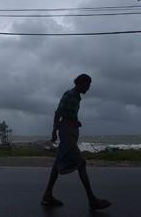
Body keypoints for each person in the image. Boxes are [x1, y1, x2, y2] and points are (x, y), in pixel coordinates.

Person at [41, 74, 111, 211]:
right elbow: (58, 112)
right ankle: (92, 200)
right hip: (66, 132)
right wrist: (54, 130)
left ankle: (47, 195)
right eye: (87, 85)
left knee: (57, 164)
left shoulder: (77, 97)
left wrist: (75, 120)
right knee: (81, 163)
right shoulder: (69, 94)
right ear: (80, 83)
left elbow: (68, 113)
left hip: (71, 130)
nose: (89, 88)